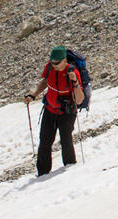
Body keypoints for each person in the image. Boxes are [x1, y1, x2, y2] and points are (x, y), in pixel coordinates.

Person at [24, 45, 85, 176]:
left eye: (57, 63)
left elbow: (79, 100)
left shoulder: (72, 72)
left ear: (64, 61)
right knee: (45, 141)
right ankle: (42, 174)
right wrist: (33, 95)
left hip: (67, 113)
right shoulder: (50, 67)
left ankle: (70, 168)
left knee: (66, 139)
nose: (54, 65)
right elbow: (45, 81)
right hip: (50, 109)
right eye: (52, 62)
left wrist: (74, 82)